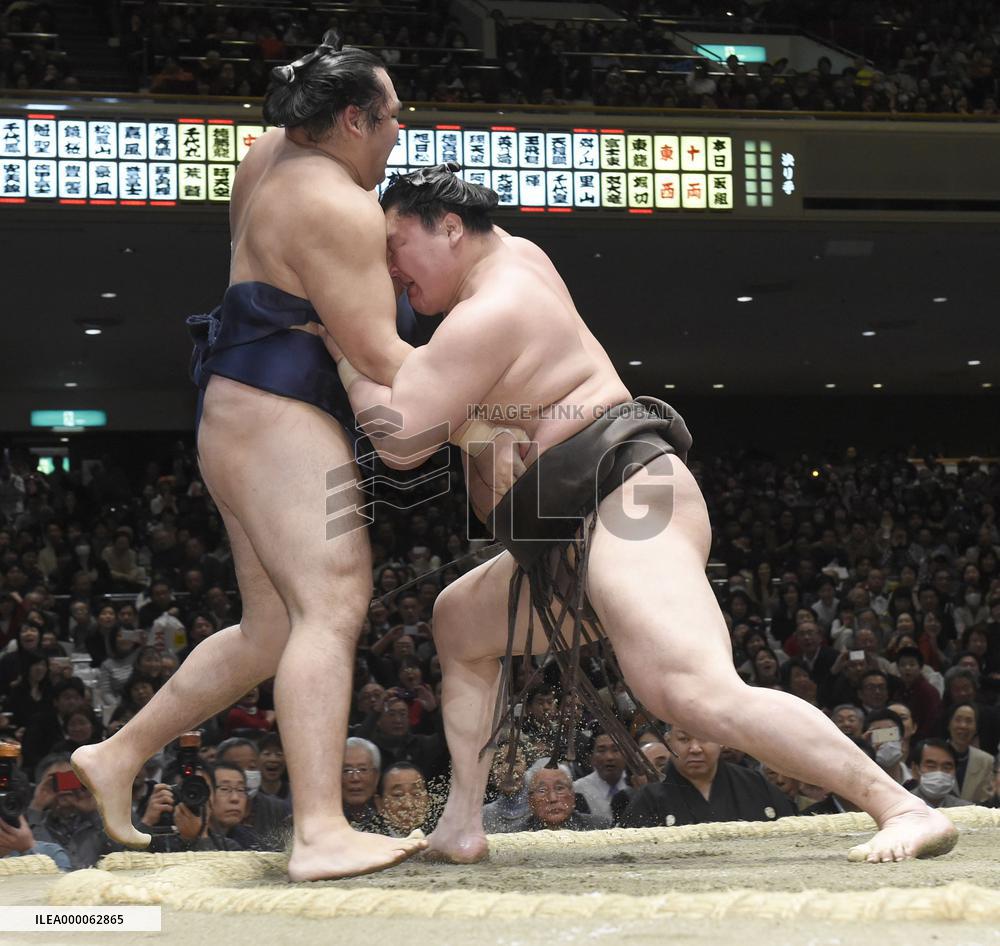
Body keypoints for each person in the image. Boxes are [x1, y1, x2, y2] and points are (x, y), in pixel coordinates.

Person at [333, 163, 958, 865]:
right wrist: (483, 431)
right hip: (579, 527)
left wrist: (345, 349)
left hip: (628, 503)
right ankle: (462, 824)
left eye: (397, 246)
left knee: (692, 692)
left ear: (449, 229)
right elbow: (483, 410)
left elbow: (400, 441)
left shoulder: (493, 307)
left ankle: (899, 803)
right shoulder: (515, 257)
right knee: (459, 620)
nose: (391, 269)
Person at [70, 30, 428, 879]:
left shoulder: (267, 151)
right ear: (350, 119)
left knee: (272, 627)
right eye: (391, 119)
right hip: (277, 415)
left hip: (235, 411)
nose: (398, 134)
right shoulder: (336, 205)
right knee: (333, 605)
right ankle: (317, 830)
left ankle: (118, 754)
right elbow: (382, 357)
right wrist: (506, 392)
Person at [620, 728, 795, 828]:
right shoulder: (649, 800)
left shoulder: (755, 785)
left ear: (720, 740)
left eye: (704, 738)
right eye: (684, 739)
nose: (695, 748)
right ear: (669, 742)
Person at [509, 759, 609, 832]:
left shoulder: (599, 828)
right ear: (531, 801)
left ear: (573, 796)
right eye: (542, 790)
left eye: (560, 789)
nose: (553, 798)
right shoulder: (516, 836)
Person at [945, 703, 994, 803]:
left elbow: (986, 798)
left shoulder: (986, 761)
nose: (963, 726)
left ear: (976, 728)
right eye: (958, 720)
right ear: (949, 724)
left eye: (969, 721)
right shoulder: (933, 754)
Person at [573, 732, 627, 823]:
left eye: (615, 749)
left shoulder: (635, 783)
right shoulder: (578, 789)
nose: (609, 757)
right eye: (601, 750)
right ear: (591, 758)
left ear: (626, 754)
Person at [909, 739, 973, 809]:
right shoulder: (901, 806)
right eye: (931, 766)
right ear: (915, 770)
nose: (939, 773)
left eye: (946, 767)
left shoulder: (966, 809)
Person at [342, 737, 381, 830]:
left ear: (376, 777)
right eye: (346, 770)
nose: (355, 778)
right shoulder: (325, 819)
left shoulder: (389, 818)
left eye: (363, 769)